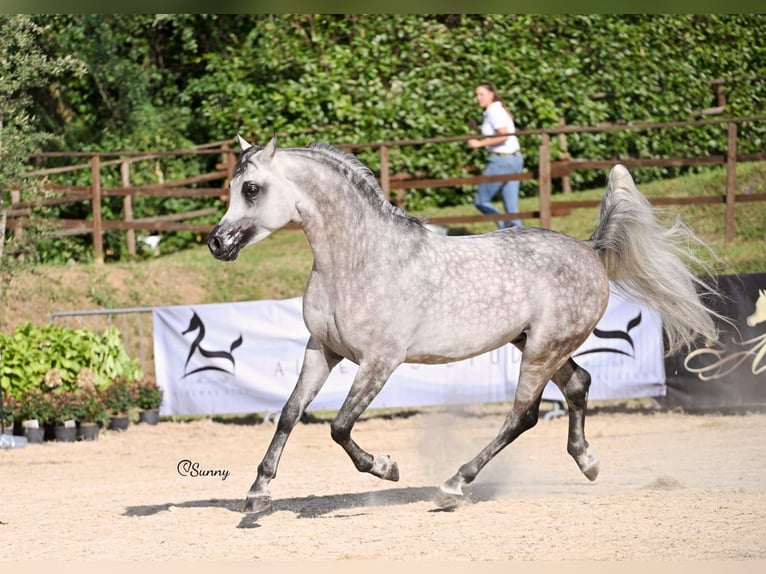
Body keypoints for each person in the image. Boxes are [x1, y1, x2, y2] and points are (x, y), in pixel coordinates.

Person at [467, 82, 524, 228]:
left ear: (491, 95)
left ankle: (505, 230)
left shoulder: (494, 111)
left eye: (481, 94)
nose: (478, 98)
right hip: (514, 159)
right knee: (511, 208)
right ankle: (521, 240)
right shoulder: (497, 110)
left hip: (502, 161)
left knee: (481, 200)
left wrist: (479, 144)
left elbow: (503, 135)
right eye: (477, 94)